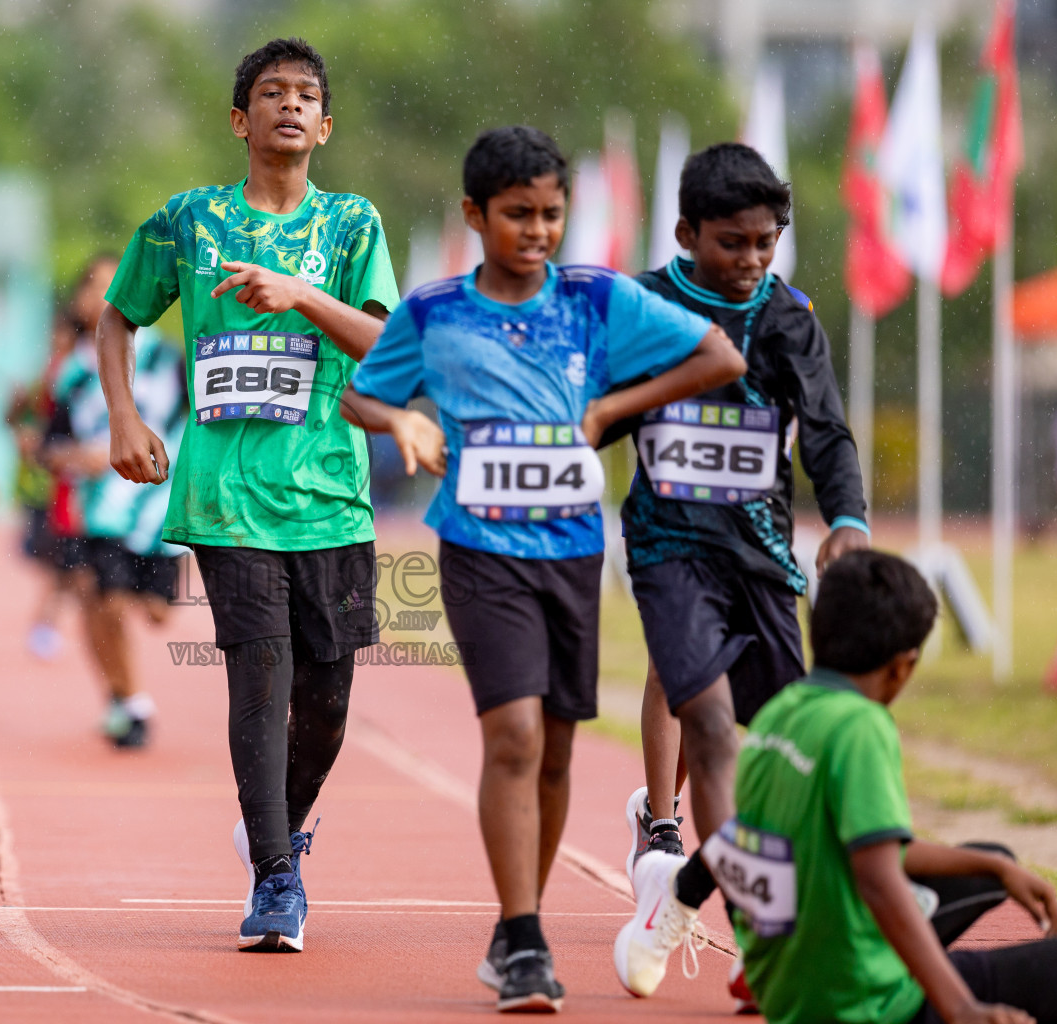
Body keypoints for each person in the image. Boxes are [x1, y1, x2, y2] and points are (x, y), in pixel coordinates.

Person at [345, 125, 745, 1013]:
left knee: (557, 751)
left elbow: (720, 355)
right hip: (481, 550)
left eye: (551, 214)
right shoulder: (436, 311)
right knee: (515, 736)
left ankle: (512, 931)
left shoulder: (598, 302)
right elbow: (359, 391)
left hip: (571, 550)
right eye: (517, 215)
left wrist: (610, 409)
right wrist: (401, 422)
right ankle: (524, 936)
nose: (536, 231)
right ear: (475, 215)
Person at [98, 38, 397, 952]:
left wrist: (300, 294)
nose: (291, 107)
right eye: (272, 93)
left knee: (330, 699)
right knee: (259, 681)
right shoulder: (189, 220)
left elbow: (383, 347)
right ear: (241, 119)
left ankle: (278, 829)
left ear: (327, 124)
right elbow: (117, 315)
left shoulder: (352, 226)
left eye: (308, 95)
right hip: (227, 495)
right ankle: (275, 878)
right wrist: (123, 417)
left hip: (331, 493)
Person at [610, 143, 870, 1000]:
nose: (751, 260)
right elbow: (595, 413)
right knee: (714, 730)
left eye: (766, 242)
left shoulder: (791, 317)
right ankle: (760, 946)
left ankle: (681, 891)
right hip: (667, 548)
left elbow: (826, 432)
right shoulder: (643, 304)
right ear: (686, 233)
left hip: (762, 559)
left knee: (780, 749)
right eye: (731, 243)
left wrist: (847, 522)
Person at [714, 549, 1057, 1024]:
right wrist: (961, 1008)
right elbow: (877, 877)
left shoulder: (779, 713)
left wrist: (993, 866)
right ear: (902, 666)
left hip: (787, 989)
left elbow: (876, 848)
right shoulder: (861, 726)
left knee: (991, 861)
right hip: (857, 1003)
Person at [43, 253, 188, 748]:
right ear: (81, 300)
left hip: (160, 512)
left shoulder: (170, 359)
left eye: (117, 285)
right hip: (99, 511)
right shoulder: (70, 373)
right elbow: (47, 444)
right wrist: (73, 456)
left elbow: (207, 422)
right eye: (96, 287)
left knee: (156, 612)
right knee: (108, 602)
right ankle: (130, 702)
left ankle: (121, 694)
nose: (107, 297)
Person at [7, 299, 88, 661]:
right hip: (45, 486)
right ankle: (46, 625)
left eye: (64, 332)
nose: (57, 339)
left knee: (71, 567)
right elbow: (14, 420)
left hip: (76, 485)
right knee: (64, 566)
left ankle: (47, 624)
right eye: (54, 332)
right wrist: (21, 418)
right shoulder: (43, 376)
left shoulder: (84, 375)